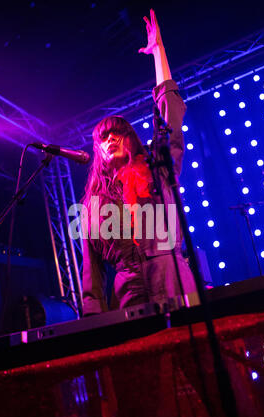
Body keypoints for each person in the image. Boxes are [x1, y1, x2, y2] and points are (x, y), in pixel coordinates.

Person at [81, 9, 198, 316]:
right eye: (102, 139)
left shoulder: (157, 167)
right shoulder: (93, 204)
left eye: (116, 133)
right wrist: (93, 324)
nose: (109, 140)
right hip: (128, 289)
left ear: (130, 138)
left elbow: (170, 116)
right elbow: (91, 276)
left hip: (170, 273)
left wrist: (158, 51)